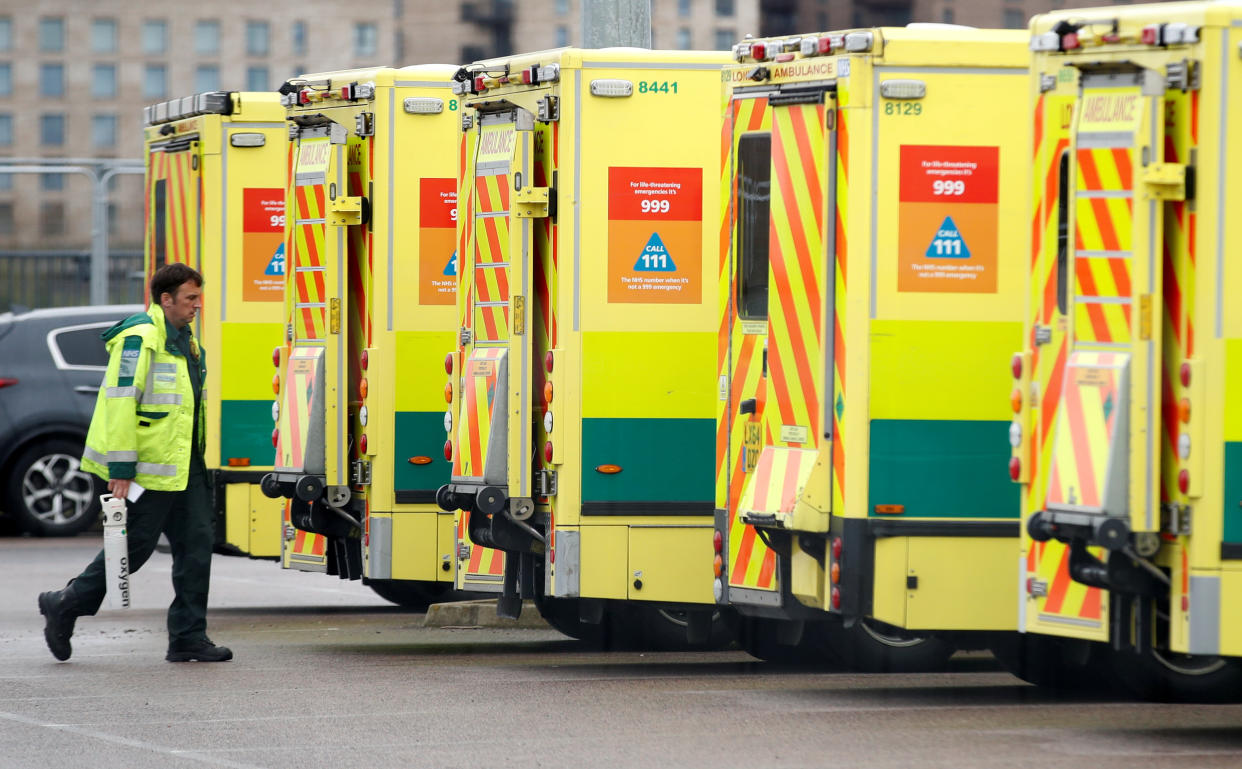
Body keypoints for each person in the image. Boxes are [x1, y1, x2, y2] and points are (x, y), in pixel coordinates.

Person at [38, 263, 232, 663]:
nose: (197, 306)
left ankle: (188, 638)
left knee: (196, 548)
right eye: (190, 298)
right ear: (166, 299)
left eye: (199, 298)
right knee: (135, 548)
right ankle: (66, 602)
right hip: (149, 468)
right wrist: (121, 471)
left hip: (186, 465)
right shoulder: (140, 340)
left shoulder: (187, 343)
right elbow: (120, 406)